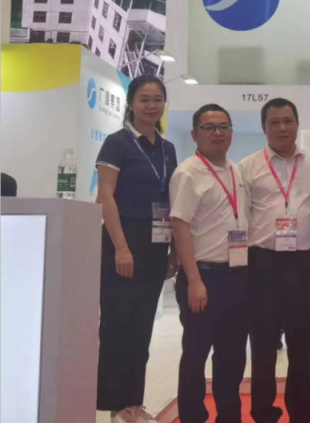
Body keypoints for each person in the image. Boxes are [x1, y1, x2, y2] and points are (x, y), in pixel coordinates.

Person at [95, 75, 178, 423]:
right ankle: (115, 406)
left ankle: (134, 403)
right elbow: (105, 197)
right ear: (131, 103)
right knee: (118, 325)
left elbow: (171, 201)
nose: (151, 106)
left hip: (155, 244)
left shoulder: (167, 149)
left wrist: (173, 250)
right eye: (144, 99)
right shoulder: (116, 143)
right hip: (122, 241)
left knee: (142, 328)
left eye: (157, 99)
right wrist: (121, 248)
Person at [239, 98, 310, 423]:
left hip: (303, 265)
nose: (282, 128)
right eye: (274, 122)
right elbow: (238, 218)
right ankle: (264, 414)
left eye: (288, 121)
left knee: (302, 350)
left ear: (297, 124)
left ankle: (301, 415)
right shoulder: (247, 167)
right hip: (261, 264)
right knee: (263, 348)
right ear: (264, 127)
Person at [169, 104, 250, 423]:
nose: (218, 133)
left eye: (224, 127)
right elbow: (180, 227)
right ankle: (192, 417)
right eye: (209, 128)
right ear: (195, 135)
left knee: (232, 356)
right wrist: (194, 280)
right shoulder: (188, 173)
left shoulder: (236, 170)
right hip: (203, 276)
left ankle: (228, 417)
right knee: (196, 354)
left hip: (237, 277)